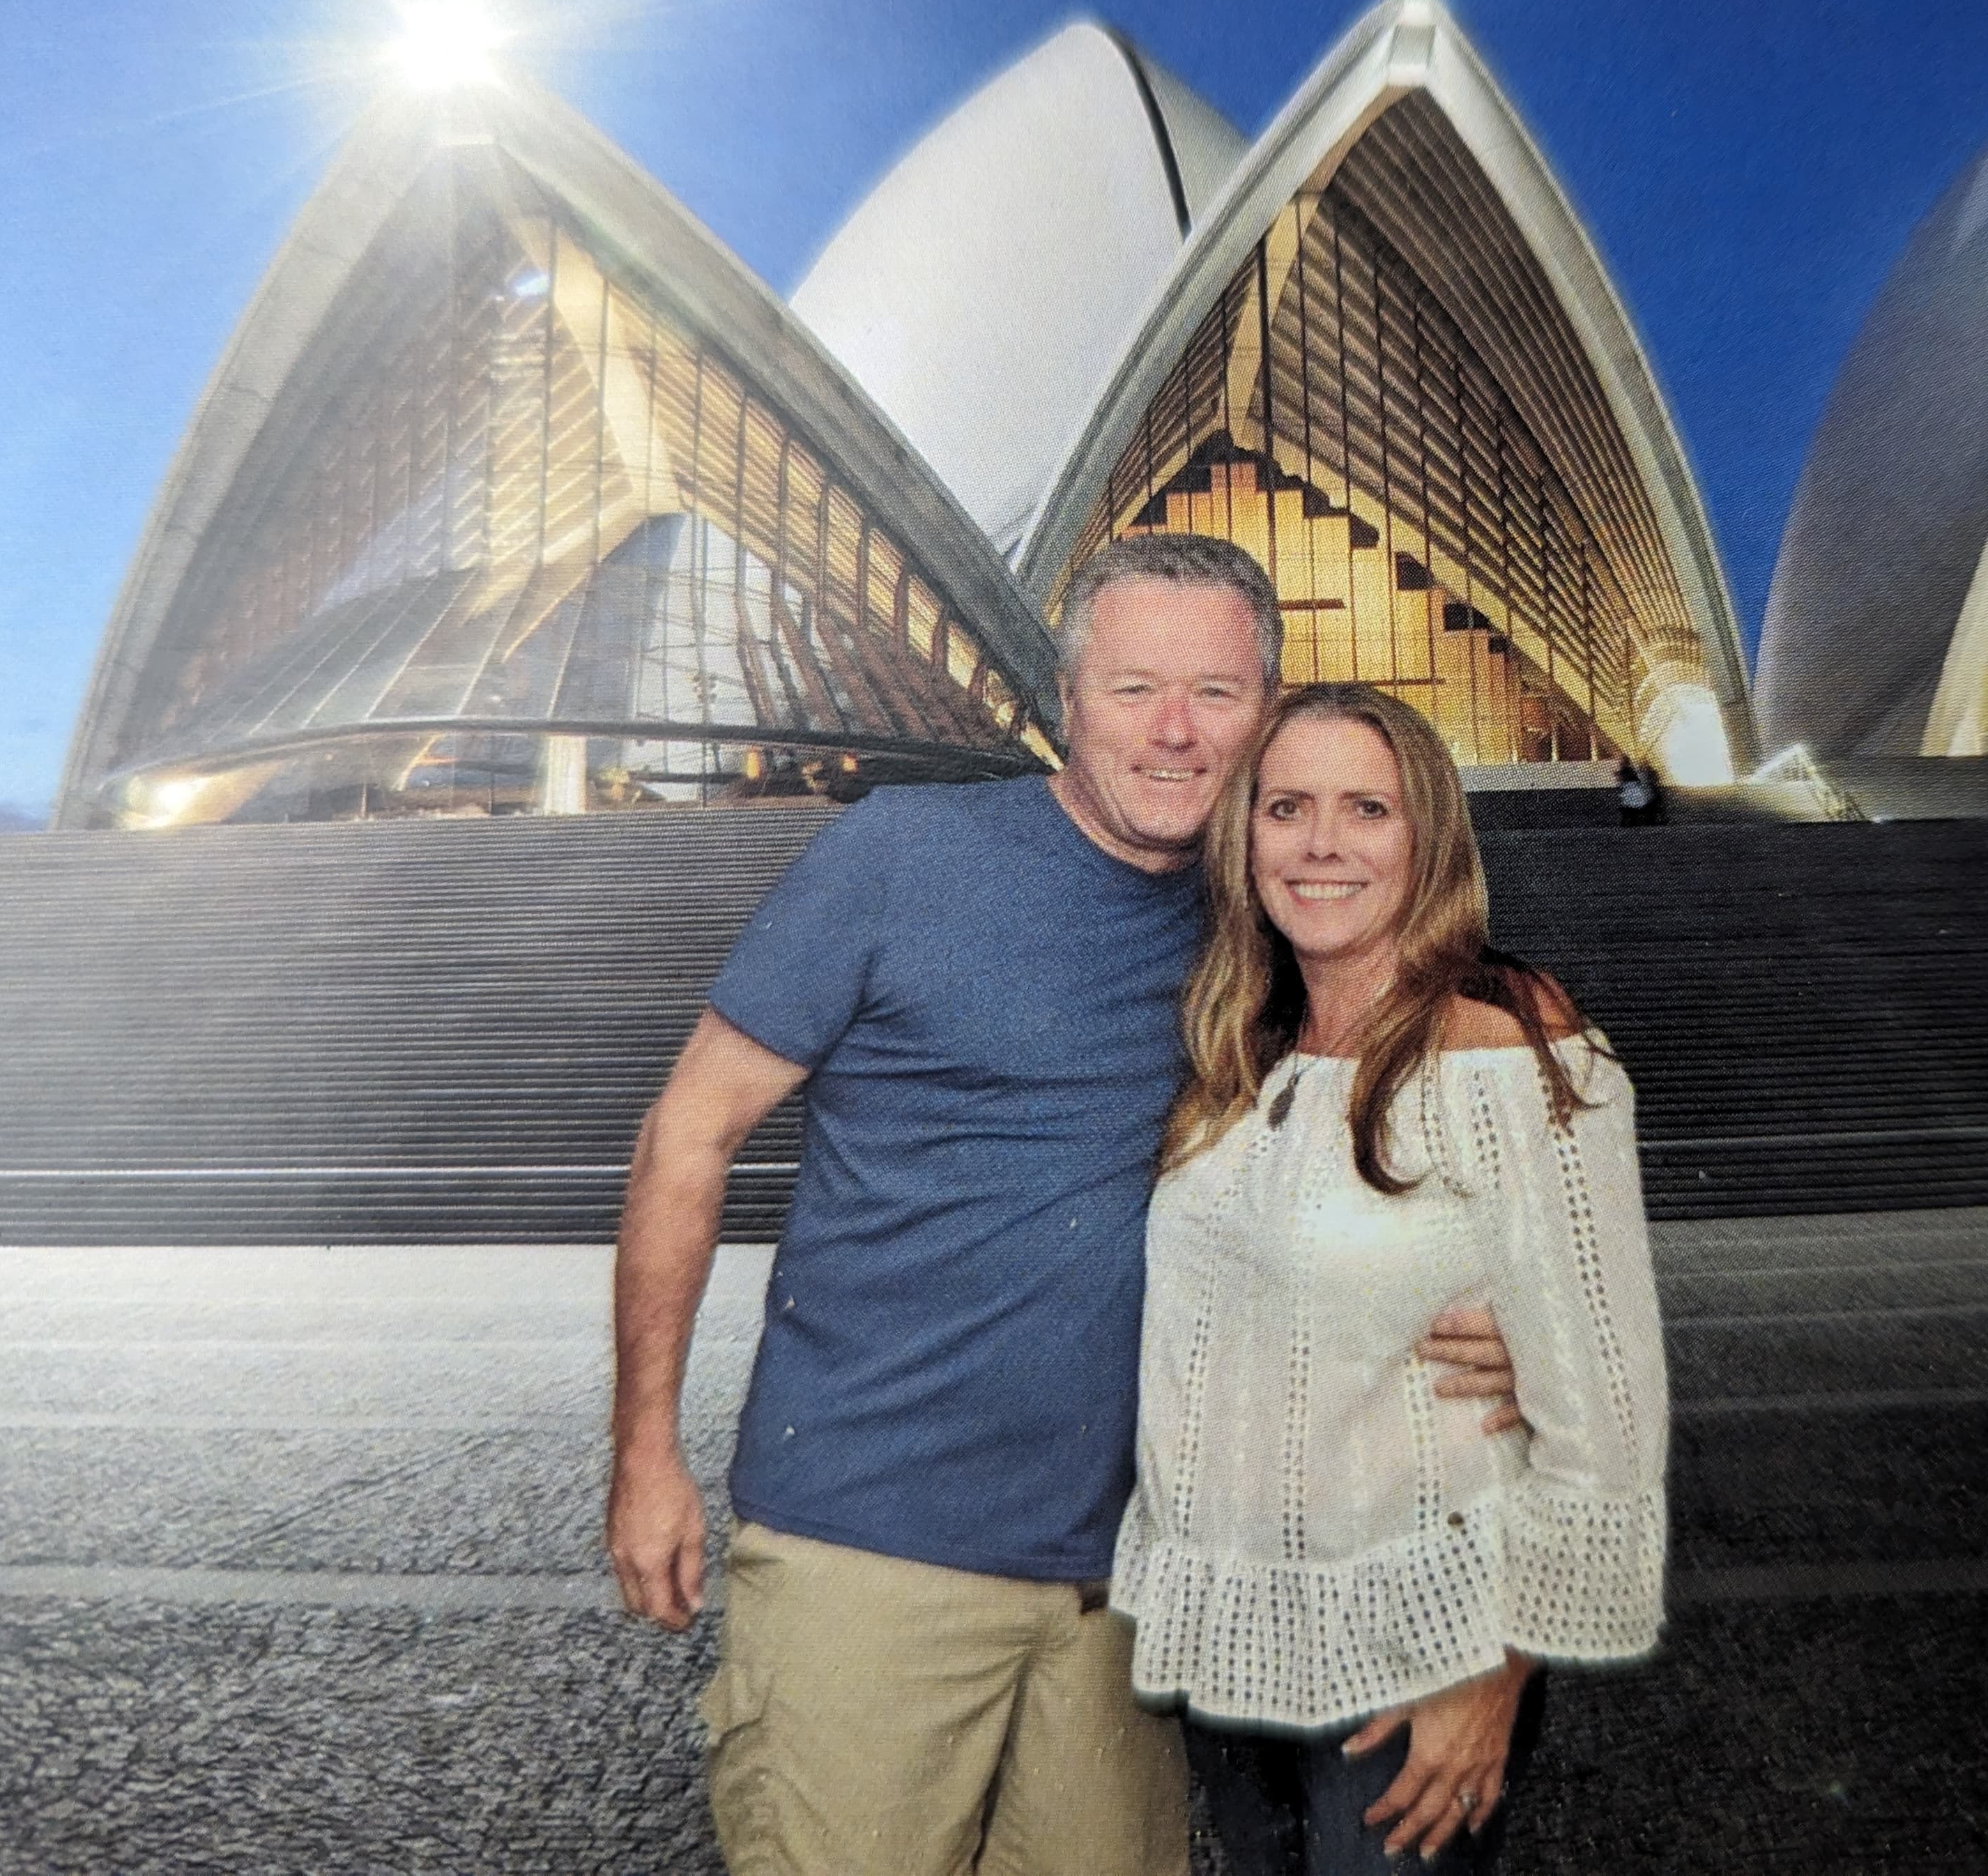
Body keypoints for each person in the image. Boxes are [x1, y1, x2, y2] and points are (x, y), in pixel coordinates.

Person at [603, 535, 1524, 1876]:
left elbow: (1432, 1090)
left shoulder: (1269, 915)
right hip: (871, 1549)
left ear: (1266, 714)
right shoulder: (898, 858)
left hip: (1125, 1590)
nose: (1172, 730)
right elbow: (685, 1140)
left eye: (1216, 694)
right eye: (1133, 686)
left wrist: (1521, 1319)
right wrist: (644, 1455)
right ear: (1064, 697)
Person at [1115, 684, 1669, 1873]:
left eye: (1367, 809)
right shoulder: (1243, 1052)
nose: (1321, 845)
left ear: (1428, 839)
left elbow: (1606, 1401)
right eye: (1286, 808)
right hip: (1237, 1645)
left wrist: (1497, 1670)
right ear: (1242, 836)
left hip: (1424, 1650)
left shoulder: (1503, 1041)